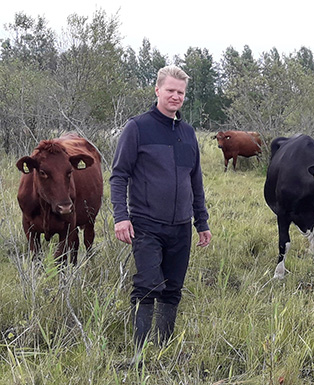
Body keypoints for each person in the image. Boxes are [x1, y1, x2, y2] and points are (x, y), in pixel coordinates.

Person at [110, 65, 212, 350]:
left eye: (180, 92)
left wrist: (201, 222)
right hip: (146, 224)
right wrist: (121, 217)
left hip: (181, 226)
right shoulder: (138, 127)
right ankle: (139, 352)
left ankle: (163, 348)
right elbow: (119, 175)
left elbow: (196, 181)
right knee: (147, 286)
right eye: (170, 90)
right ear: (157, 90)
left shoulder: (188, 133)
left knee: (172, 289)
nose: (176, 96)